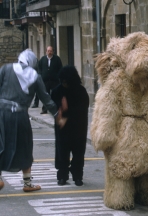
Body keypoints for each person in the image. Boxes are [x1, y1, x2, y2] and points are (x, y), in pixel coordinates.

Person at [0, 49, 62, 192]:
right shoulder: (35, 76)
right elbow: (45, 98)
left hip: (2, 112)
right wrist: (56, 114)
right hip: (20, 115)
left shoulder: (6, 69)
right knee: (25, 146)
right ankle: (27, 184)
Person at [51, 65, 89, 186]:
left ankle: (77, 175)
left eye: (66, 82)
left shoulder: (81, 91)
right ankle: (62, 175)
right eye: (62, 82)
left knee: (78, 152)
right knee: (62, 151)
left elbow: (83, 108)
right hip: (63, 127)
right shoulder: (57, 90)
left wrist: (67, 110)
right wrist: (59, 109)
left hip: (78, 126)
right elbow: (52, 105)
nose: (64, 84)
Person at [32, 46, 63, 114]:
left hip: (54, 80)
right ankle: (44, 109)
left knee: (56, 95)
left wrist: (59, 77)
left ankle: (57, 108)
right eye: (48, 51)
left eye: (51, 51)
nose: (49, 52)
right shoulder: (43, 59)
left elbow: (60, 68)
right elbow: (39, 68)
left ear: (53, 51)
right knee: (45, 95)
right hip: (45, 80)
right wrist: (40, 75)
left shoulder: (57, 59)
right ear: (46, 51)